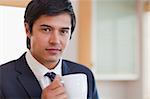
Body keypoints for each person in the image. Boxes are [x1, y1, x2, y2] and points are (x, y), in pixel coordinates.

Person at [0, 0, 99, 99]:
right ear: (28, 30)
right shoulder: (3, 78)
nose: (55, 41)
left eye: (63, 31)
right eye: (46, 30)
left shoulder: (84, 74)